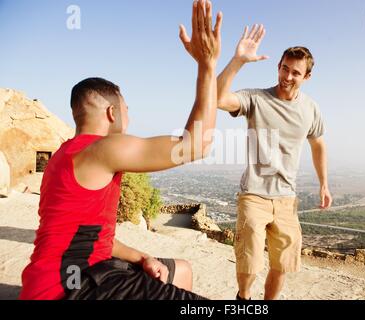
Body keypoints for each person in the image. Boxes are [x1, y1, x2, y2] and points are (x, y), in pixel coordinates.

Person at [19, 0, 222, 300]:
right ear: (112, 113)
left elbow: (94, 236)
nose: (131, 117)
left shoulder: (62, 158)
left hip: (66, 275)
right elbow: (197, 145)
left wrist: (142, 257)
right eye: (128, 109)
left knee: (181, 270)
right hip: (71, 288)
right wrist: (207, 65)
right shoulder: (104, 148)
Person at [217, 24, 333, 300]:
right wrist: (238, 61)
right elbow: (218, 98)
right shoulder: (256, 98)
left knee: (282, 264)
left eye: (295, 72)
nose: (287, 76)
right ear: (278, 66)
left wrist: (324, 185)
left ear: (307, 76)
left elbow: (318, 145)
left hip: (286, 199)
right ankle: (244, 299)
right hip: (253, 196)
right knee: (249, 261)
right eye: (284, 68)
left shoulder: (311, 108)